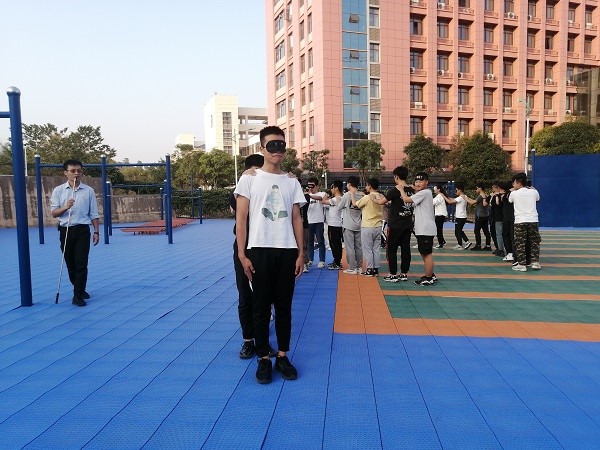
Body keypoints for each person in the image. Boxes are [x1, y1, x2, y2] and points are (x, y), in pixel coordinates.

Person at [234, 126, 306, 384]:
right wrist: (242, 254)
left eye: (281, 145)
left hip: (287, 251)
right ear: (262, 148)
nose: (277, 150)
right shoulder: (249, 180)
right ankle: (263, 358)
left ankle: (283, 356)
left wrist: (301, 253)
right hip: (259, 250)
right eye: (272, 145)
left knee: (284, 308)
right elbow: (241, 219)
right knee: (261, 308)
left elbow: (296, 218)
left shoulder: (292, 181)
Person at [230, 153, 276, 359]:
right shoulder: (240, 190)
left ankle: (262, 342)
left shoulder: (271, 187)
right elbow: (240, 213)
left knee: (264, 297)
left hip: (264, 246)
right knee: (245, 295)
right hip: (244, 247)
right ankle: (248, 341)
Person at [50, 159, 100, 307]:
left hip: (82, 230)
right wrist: (66, 207)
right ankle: (79, 287)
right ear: (66, 173)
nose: (76, 173)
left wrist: (96, 232)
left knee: (81, 263)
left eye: (79, 171)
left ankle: (77, 295)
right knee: (70, 263)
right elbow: (54, 213)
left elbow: (94, 213)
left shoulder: (88, 191)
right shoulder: (58, 191)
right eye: (73, 171)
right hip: (66, 230)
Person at [371, 166, 413, 282]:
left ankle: (393, 274)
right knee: (405, 249)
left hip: (395, 224)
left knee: (391, 249)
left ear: (396, 176)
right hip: (407, 224)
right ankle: (404, 273)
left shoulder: (395, 190)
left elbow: (381, 202)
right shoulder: (411, 190)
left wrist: (372, 198)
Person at [397, 172, 438, 285]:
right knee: (425, 253)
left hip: (425, 229)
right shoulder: (424, 193)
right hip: (424, 229)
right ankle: (430, 275)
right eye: (416, 181)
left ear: (426, 182)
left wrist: (401, 190)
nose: (418, 183)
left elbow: (407, 199)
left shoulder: (424, 193)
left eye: (421, 181)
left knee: (427, 254)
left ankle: (428, 278)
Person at [350, 178, 384, 277]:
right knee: (376, 249)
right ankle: (375, 269)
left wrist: (352, 194)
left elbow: (355, 204)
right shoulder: (381, 196)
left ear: (370, 186)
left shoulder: (367, 197)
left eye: (367, 185)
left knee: (367, 249)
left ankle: (369, 269)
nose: (365, 187)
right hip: (378, 225)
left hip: (368, 226)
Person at [509, 173, 541, 272]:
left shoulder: (513, 193)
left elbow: (510, 201)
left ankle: (522, 264)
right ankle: (535, 262)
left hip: (520, 221)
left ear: (519, 182)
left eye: (514, 182)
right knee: (534, 241)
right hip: (533, 220)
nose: (513, 184)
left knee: (520, 243)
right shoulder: (534, 192)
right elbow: (538, 199)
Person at [337, 176, 364, 274]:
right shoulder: (362, 195)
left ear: (349, 184)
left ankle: (352, 268)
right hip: (359, 224)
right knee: (358, 247)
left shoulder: (347, 195)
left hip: (348, 224)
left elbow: (339, 207)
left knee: (350, 247)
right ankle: (359, 267)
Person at [322, 180, 344, 269]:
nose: (331, 189)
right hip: (338, 224)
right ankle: (337, 261)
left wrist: (325, 194)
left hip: (334, 225)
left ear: (336, 188)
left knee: (334, 245)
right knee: (337, 244)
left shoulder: (336, 199)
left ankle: (337, 262)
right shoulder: (341, 198)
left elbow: (323, 201)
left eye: (332, 187)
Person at [306, 177, 327, 268]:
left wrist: (309, 196)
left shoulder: (321, 193)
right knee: (309, 242)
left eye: (312, 186)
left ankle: (322, 260)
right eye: (309, 186)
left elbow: (320, 198)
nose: (310, 188)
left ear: (317, 186)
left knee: (320, 241)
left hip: (319, 221)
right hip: (309, 221)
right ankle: (310, 259)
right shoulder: (306, 195)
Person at [444, 183, 472, 249]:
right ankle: (467, 241)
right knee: (460, 230)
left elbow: (450, 202)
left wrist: (444, 196)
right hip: (462, 216)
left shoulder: (460, 198)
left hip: (460, 217)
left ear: (460, 190)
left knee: (457, 231)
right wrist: (446, 197)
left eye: (456, 190)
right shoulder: (464, 196)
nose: (455, 191)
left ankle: (460, 244)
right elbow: (453, 199)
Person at [469, 184, 492, 251]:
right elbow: (474, 201)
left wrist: (465, 198)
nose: (476, 190)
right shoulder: (486, 195)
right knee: (486, 231)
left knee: (477, 230)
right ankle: (488, 245)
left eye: (477, 188)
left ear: (480, 188)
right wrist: (467, 198)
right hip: (485, 215)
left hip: (480, 216)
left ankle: (478, 245)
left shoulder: (481, 196)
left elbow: (472, 202)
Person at [489, 181, 506, 257]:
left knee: (499, 234)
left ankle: (501, 249)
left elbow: (497, 203)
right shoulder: (496, 195)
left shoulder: (500, 196)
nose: (492, 188)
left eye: (493, 187)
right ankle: (499, 248)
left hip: (499, 217)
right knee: (496, 233)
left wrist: (496, 196)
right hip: (496, 217)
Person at [432, 184, 448, 249]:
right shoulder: (439, 196)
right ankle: (442, 241)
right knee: (438, 229)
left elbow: (433, 202)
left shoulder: (439, 196)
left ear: (438, 189)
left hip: (440, 215)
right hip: (440, 215)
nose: (434, 190)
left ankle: (441, 243)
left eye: (435, 189)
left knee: (438, 229)